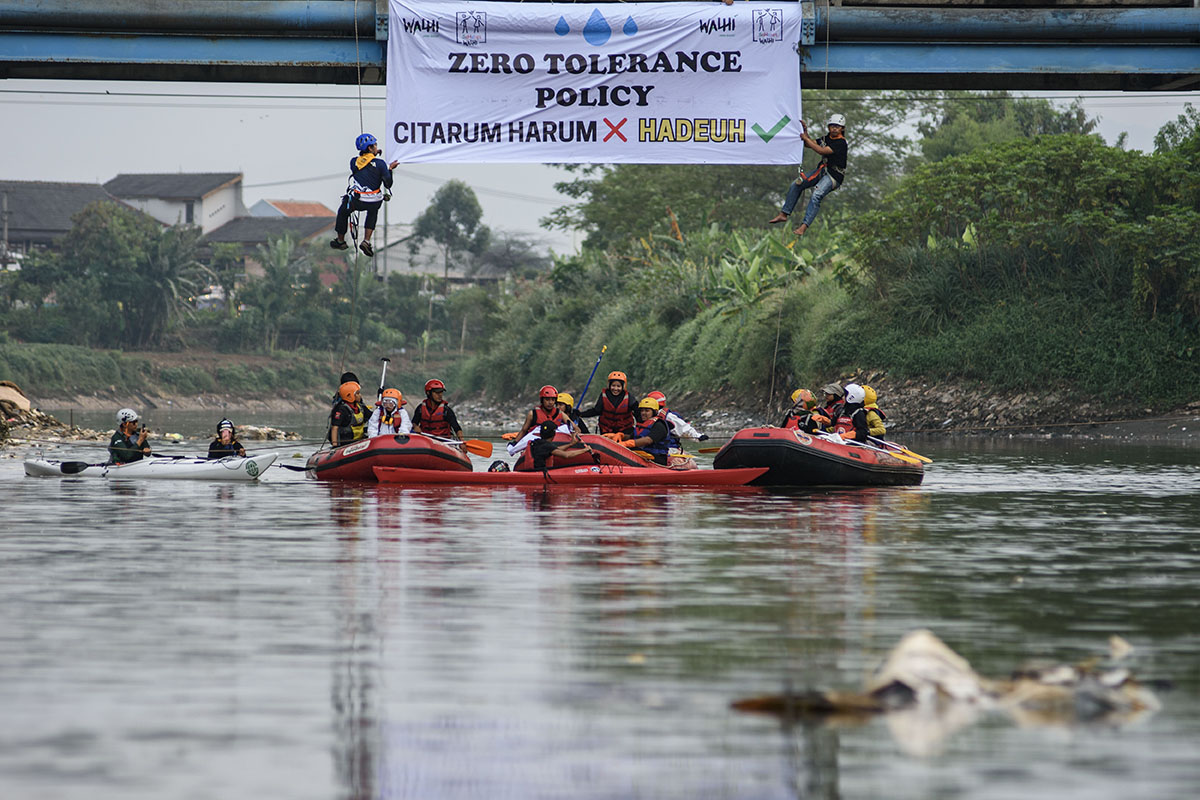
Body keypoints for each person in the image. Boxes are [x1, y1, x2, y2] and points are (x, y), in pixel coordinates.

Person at [767, 113, 848, 237]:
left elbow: (821, 150)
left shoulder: (841, 143)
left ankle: (804, 227)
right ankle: (784, 213)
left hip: (834, 176)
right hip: (822, 171)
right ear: (829, 127)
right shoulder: (826, 138)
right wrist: (804, 132)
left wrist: (806, 139)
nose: (834, 129)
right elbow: (808, 143)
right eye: (832, 126)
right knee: (796, 184)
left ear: (842, 128)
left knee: (816, 195)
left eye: (837, 127)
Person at [330, 133, 399, 257]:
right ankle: (366, 241)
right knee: (373, 211)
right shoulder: (381, 164)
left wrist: (374, 154)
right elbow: (388, 184)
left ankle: (340, 241)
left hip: (357, 201)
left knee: (343, 210)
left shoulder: (353, 162)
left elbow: (365, 163)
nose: (377, 147)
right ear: (370, 148)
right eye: (375, 146)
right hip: (374, 201)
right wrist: (390, 169)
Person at [577, 371, 635, 436]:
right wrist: (580, 414)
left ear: (623, 386)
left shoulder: (629, 397)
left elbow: (638, 412)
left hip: (624, 431)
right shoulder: (604, 395)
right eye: (613, 385)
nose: (615, 389)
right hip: (607, 430)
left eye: (618, 386)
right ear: (609, 385)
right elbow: (596, 411)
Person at [528, 420, 594, 472]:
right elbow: (566, 455)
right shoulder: (546, 446)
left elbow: (556, 449)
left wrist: (571, 444)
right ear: (553, 434)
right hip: (540, 472)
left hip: (535, 470)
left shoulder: (538, 442)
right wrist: (585, 450)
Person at [623, 397, 671, 466]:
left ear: (654, 412)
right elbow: (631, 436)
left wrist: (628, 443)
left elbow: (648, 440)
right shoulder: (641, 424)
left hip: (656, 459)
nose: (643, 413)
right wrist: (620, 436)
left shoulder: (659, 425)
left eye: (647, 411)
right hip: (642, 456)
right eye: (642, 411)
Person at [330, 380, 369, 447]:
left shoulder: (360, 407)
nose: (360, 395)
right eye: (357, 393)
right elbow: (335, 428)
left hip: (360, 441)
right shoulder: (341, 410)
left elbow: (373, 417)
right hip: (346, 443)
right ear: (349, 395)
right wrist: (335, 445)